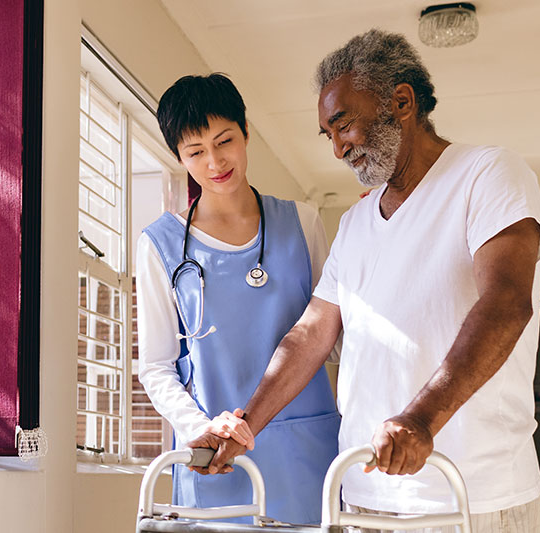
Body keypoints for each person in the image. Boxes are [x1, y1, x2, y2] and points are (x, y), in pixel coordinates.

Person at [190, 29, 540, 533]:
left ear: (402, 101)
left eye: (344, 125)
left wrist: (421, 419)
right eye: (328, 135)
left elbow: (506, 303)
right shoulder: (357, 224)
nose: (337, 149)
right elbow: (311, 333)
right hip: (362, 498)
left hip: (471, 495)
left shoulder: (488, 175)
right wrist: (246, 423)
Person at [136, 73, 340, 525]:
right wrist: (197, 428)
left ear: (247, 132)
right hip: (217, 457)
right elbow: (155, 364)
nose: (214, 161)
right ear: (179, 158)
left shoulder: (302, 224)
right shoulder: (160, 246)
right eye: (195, 152)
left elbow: (338, 335)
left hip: (304, 454)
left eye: (224, 140)